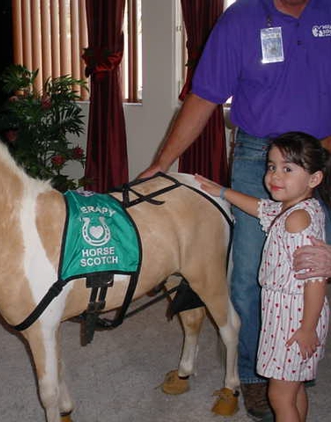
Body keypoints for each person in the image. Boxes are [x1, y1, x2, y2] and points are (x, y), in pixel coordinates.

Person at [139, 1, 331, 419]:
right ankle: (258, 374)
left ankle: (296, 366)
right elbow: (204, 95)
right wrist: (162, 161)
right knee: (250, 276)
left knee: (313, 265)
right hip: (258, 155)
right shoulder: (241, 19)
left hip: (323, 152)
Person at [196, 132, 330, 421]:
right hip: (287, 313)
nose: (275, 176)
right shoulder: (294, 207)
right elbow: (259, 207)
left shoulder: (297, 220)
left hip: (293, 318)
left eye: (288, 169)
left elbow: (315, 280)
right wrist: (220, 191)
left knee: (278, 396)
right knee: (294, 390)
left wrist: (307, 328)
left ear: (314, 179)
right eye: (271, 166)